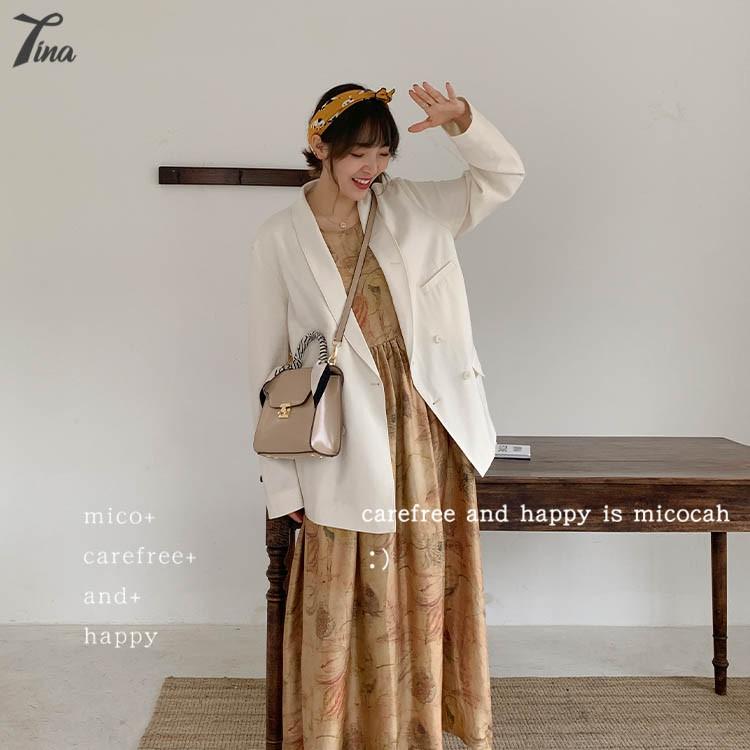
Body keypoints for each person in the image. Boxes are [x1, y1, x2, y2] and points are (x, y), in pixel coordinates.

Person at [249, 80, 525, 749]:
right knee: (348, 581)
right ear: (320, 146)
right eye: (357, 154)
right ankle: (347, 730)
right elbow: (270, 368)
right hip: (344, 436)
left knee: (426, 576)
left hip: (428, 427)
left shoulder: (412, 206)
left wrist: (463, 123)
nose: (371, 168)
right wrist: (283, 484)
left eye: (382, 154)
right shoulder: (279, 237)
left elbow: (502, 177)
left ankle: (421, 727)